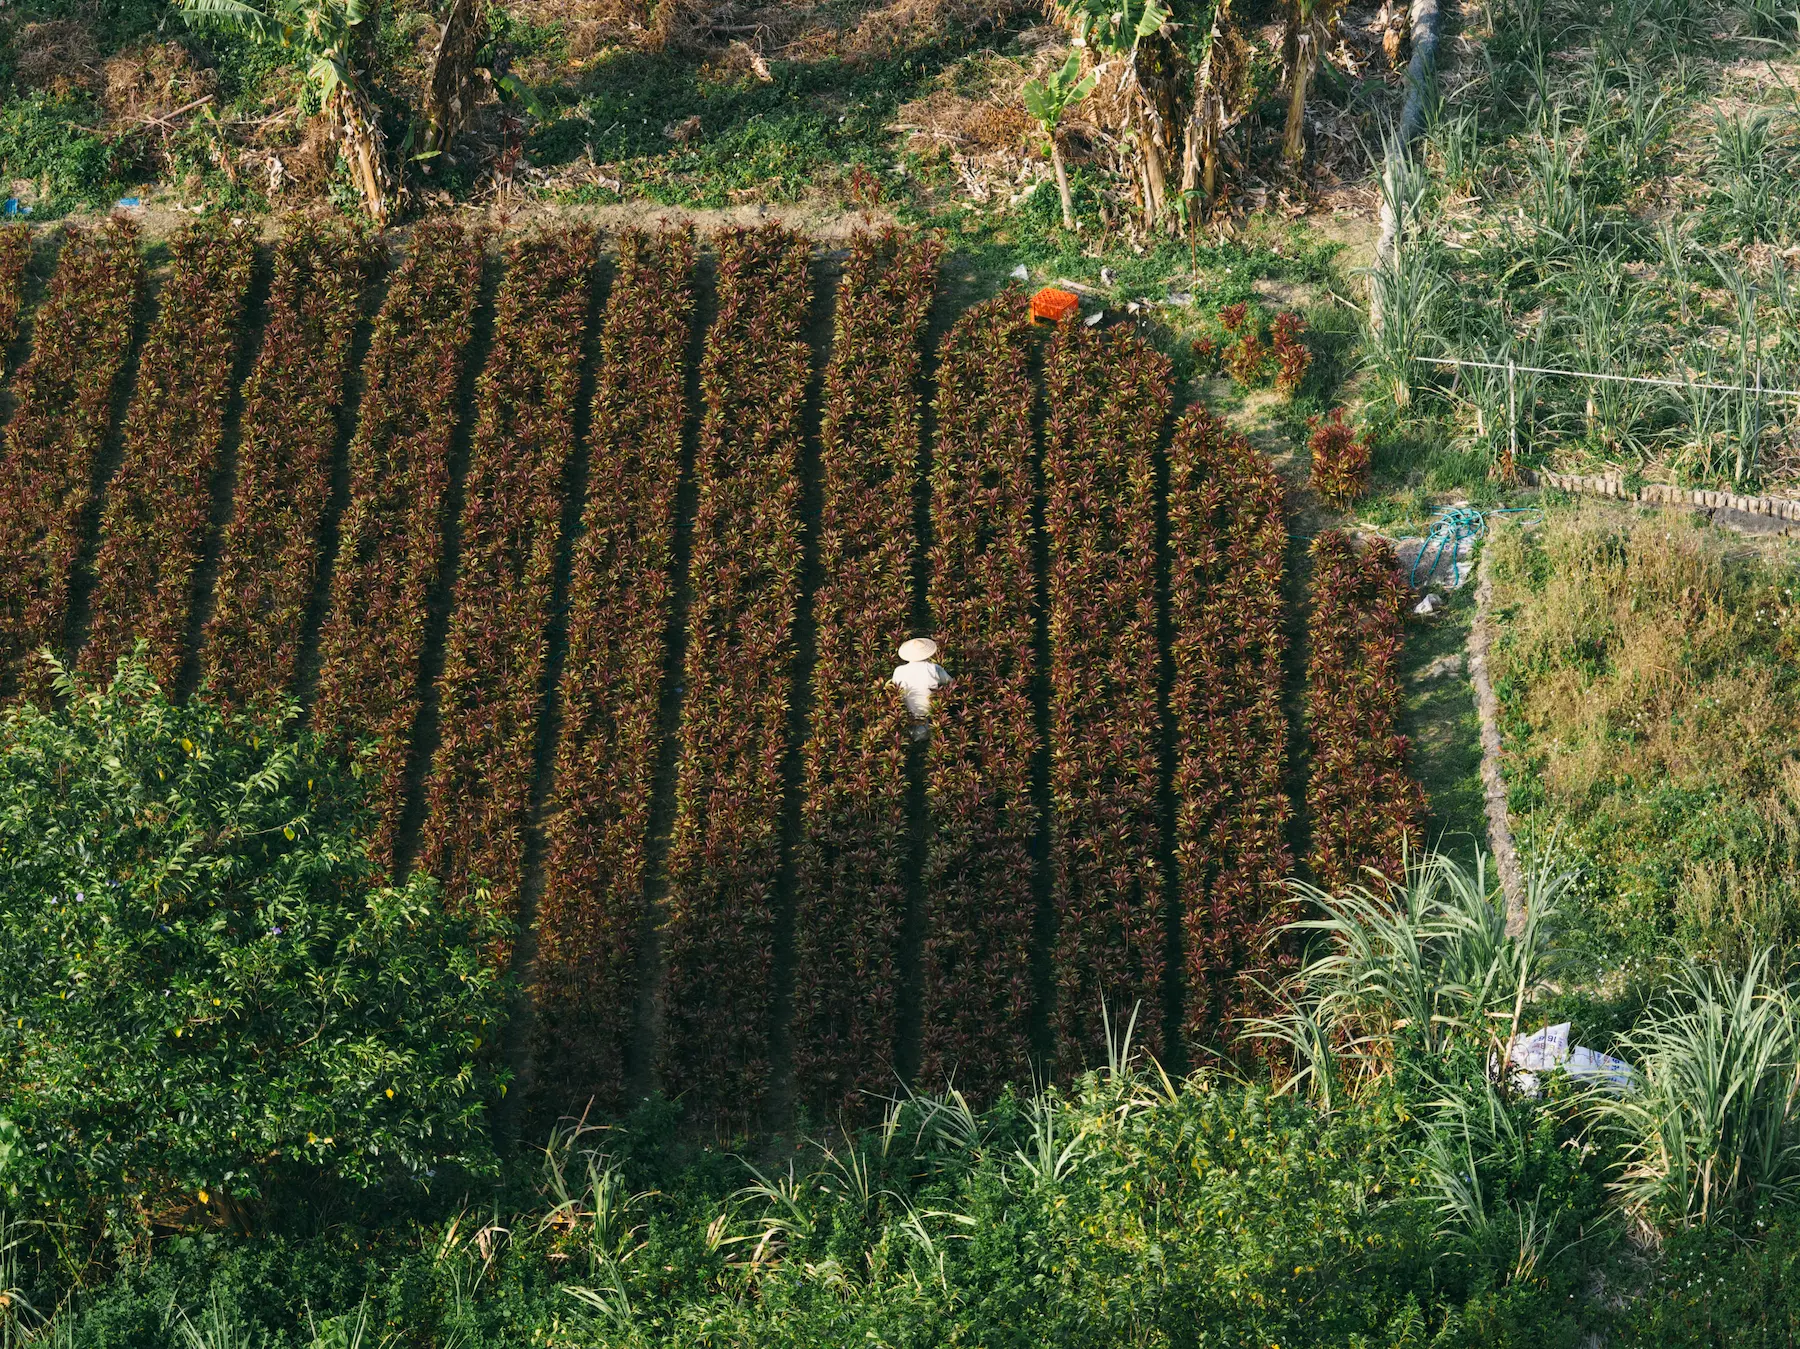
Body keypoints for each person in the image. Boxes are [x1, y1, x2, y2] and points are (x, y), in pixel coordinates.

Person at [890, 637, 953, 742]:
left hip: (905, 718)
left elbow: (893, 690)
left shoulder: (899, 671)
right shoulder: (934, 668)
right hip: (931, 718)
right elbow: (951, 683)